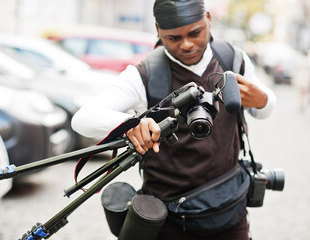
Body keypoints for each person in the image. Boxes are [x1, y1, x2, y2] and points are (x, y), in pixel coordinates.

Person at [71, 0, 276, 239]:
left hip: (229, 212)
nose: (187, 44)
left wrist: (263, 100)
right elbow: (82, 119)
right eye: (173, 38)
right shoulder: (145, 74)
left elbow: (263, 109)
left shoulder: (233, 60)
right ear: (157, 30)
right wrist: (130, 125)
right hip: (167, 217)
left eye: (195, 33)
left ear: (208, 19)